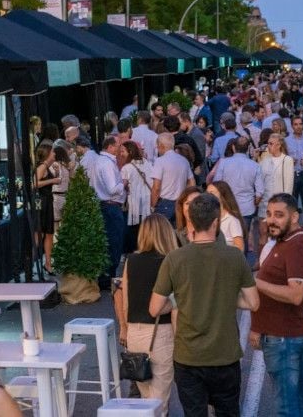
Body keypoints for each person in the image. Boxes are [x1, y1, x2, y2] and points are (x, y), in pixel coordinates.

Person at [149, 193, 259, 417]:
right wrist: (225, 293)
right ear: (216, 221)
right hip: (225, 355)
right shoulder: (234, 257)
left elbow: (155, 308)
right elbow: (253, 302)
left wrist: (183, 297)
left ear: (190, 219)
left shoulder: (175, 258)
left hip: (188, 357)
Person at [248, 193, 303, 415]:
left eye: (279, 215)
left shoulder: (297, 245)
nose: (271, 220)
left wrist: (256, 283)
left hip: (284, 337)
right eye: (269, 214)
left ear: (294, 217)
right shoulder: (283, 242)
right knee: (296, 397)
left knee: (287, 406)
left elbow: (296, 294)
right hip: (280, 335)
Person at [118, 214, 179, 410]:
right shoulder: (169, 261)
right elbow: (177, 299)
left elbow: (125, 299)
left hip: (135, 333)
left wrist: (125, 328)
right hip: (160, 332)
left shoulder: (131, 260)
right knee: (159, 401)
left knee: (146, 400)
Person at [213, 136, 264, 244]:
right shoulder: (255, 166)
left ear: (233, 147)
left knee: (225, 239)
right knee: (242, 239)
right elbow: (260, 192)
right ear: (248, 148)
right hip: (247, 207)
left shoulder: (223, 163)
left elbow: (216, 184)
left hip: (227, 207)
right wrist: (254, 203)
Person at [92, 136, 127, 280]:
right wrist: (124, 183)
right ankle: (108, 277)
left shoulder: (100, 161)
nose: (120, 148)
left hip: (106, 206)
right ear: (111, 147)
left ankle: (106, 275)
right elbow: (112, 189)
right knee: (114, 242)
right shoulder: (106, 164)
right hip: (111, 206)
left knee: (110, 241)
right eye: (118, 145)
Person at [150, 133, 195, 223]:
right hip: (180, 202)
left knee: (162, 233)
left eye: (157, 147)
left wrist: (153, 204)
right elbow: (192, 183)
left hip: (164, 203)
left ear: (161, 146)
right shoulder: (184, 160)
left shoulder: (160, 161)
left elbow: (156, 187)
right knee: (177, 232)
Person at [120, 140, 153, 254]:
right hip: (147, 203)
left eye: (123, 151)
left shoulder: (126, 168)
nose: (121, 154)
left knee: (133, 231)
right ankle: (145, 249)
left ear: (129, 152)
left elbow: (122, 186)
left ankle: (133, 254)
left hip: (134, 204)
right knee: (144, 229)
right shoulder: (147, 163)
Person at [34, 145, 60, 275]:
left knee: (49, 233)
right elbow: (35, 183)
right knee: (40, 233)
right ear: (48, 154)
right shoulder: (42, 166)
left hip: (47, 202)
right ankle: (34, 262)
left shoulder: (47, 166)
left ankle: (48, 263)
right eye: (53, 152)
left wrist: (56, 174)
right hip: (42, 203)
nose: (55, 155)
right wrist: (53, 180)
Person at [257, 134, 294, 219]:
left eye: (271, 144)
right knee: (263, 230)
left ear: (278, 145)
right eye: (268, 144)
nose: (268, 146)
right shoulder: (264, 161)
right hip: (265, 202)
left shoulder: (287, 160)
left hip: (279, 202)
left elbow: (288, 184)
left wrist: (286, 204)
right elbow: (260, 181)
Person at [287, 115, 303, 231]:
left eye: (300, 124)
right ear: (292, 126)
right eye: (295, 124)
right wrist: (289, 159)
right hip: (293, 173)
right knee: (293, 202)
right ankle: (293, 226)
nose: (298, 126)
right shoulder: (287, 140)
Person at [206, 181, 246, 250]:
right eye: (207, 193)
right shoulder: (208, 217)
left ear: (222, 195)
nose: (207, 197)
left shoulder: (232, 220)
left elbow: (240, 248)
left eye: (211, 193)